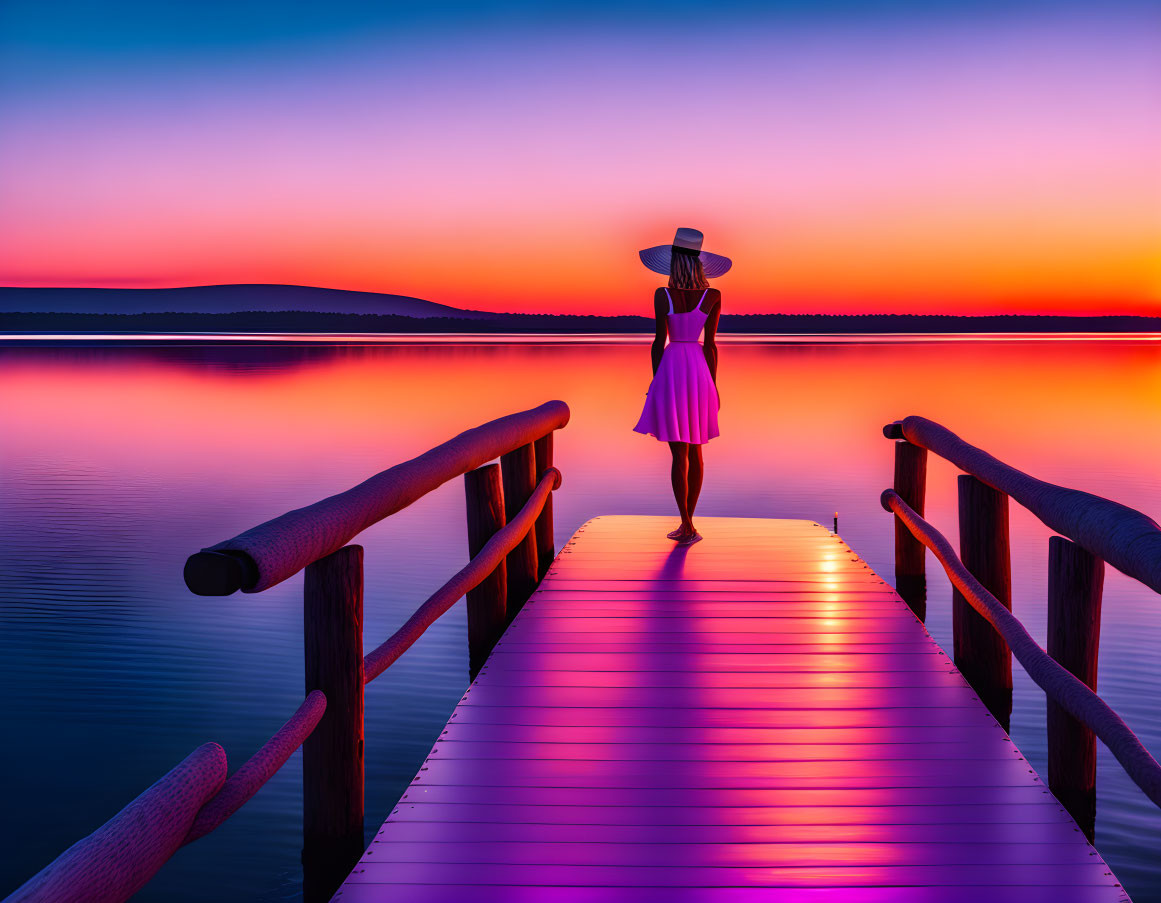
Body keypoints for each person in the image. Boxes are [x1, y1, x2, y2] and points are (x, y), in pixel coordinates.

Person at [633, 227, 731, 545]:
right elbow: (711, 346)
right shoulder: (712, 296)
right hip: (699, 370)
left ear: (675, 262)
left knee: (679, 454)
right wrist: (713, 387)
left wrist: (655, 379)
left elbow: (658, 343)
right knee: (697, 450)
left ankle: (686, 523)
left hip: (672, 368)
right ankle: (690, 523)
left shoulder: (663, 295)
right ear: (699, 262)